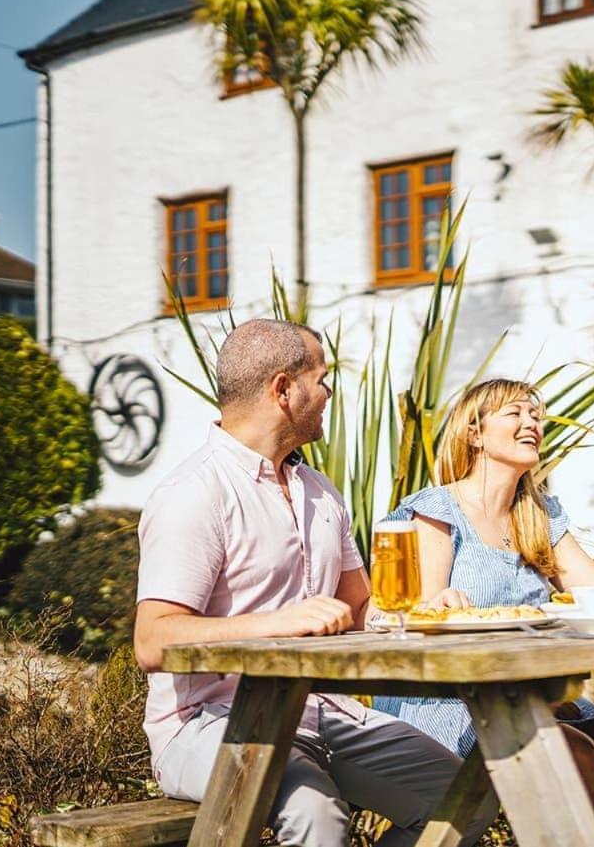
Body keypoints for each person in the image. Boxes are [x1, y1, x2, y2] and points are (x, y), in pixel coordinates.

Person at [133, 319, 495, 847]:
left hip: (322, 713)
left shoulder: (319, 492)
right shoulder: (195, 492)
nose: (328, 394)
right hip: (208, 725)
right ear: (283, 389)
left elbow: (360, 606)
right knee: (317, 815)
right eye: (322, 379)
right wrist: (276, 624)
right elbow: (152, 639)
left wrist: (419, 611)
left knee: (465, 795)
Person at [375, 378, 594, 808]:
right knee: (577, 754)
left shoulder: (537, 516)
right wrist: (438, 603)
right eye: (515, 414)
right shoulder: (437, 510)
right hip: (451, 702)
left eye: (535, 415)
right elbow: (416, 617)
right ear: (475, 433)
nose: (532, 423)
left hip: (526, 692)